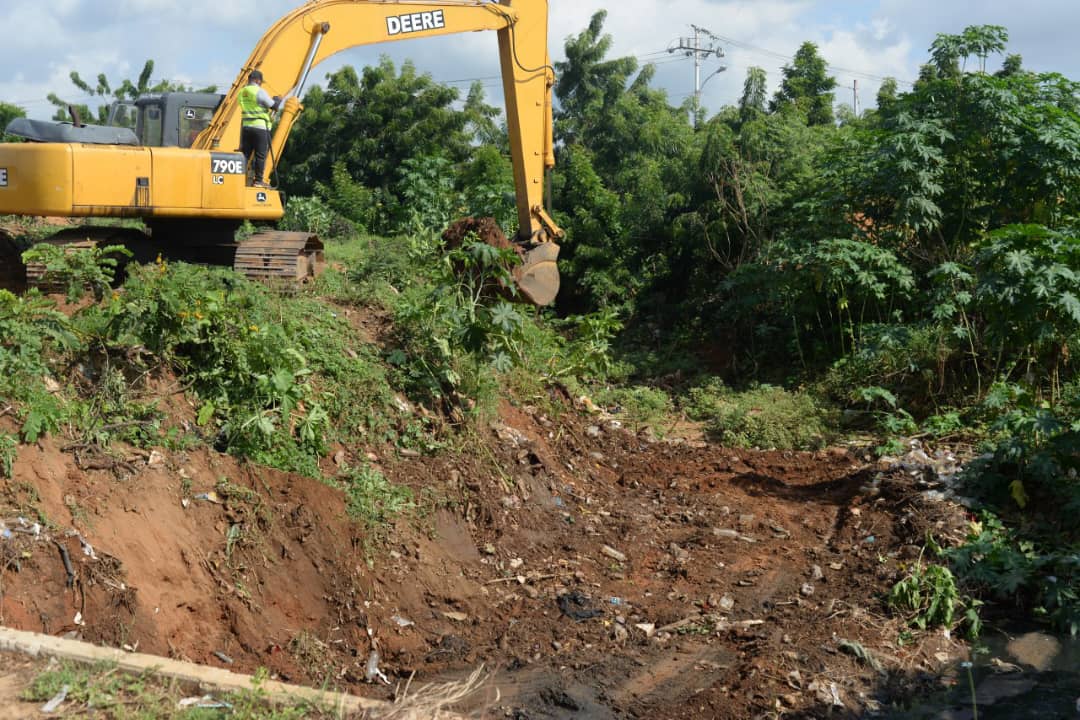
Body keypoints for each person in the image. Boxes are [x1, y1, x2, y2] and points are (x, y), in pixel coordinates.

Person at [238, 69, 280, 187]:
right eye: (260, 81)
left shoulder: (242, 92)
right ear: (257, 80)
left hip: (246, 128)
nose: (261, 83)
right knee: (260, 155)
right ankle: (258, 181)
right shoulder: (259, 91)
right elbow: (273, 106)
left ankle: (239, 179)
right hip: (260, 127)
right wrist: (277, 100)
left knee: (245, 155)